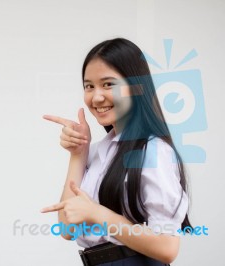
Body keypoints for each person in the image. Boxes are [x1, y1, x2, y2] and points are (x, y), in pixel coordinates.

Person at [40, 38, 191, 266]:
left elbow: (167, 248)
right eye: (89, 86)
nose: (97, 96)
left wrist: (98, 214)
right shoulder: (100, 152)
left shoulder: (153, 151)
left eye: (108, 84)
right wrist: (78, 153)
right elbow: (66, 228)